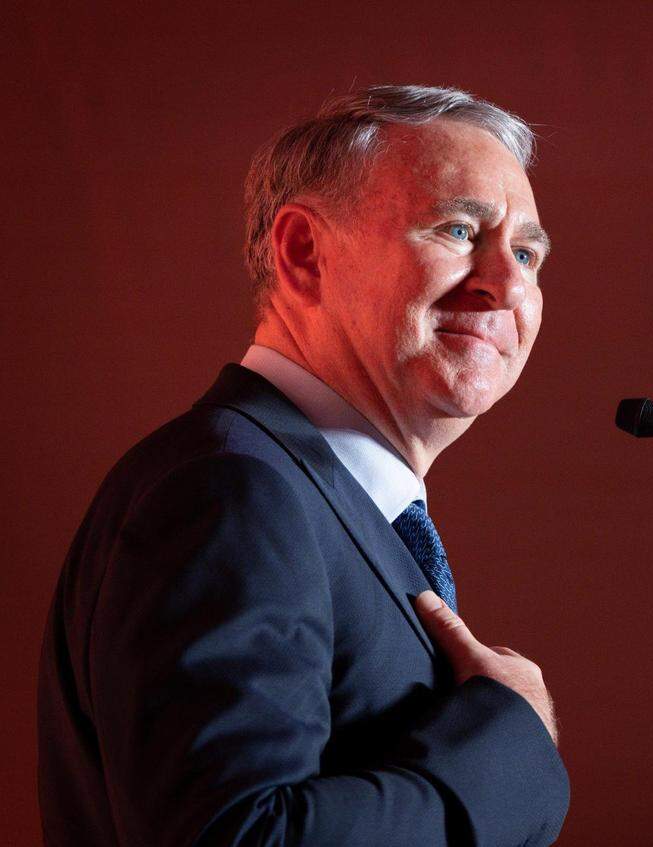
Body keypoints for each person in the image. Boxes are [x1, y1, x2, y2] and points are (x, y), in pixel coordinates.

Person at [37, 85, 568, 846]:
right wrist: (509, 740)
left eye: (526, 252)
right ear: (303, 252)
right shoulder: (228, 491)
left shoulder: (314, 496)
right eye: (457, 229)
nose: (508, 284)